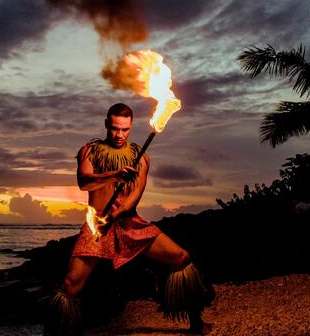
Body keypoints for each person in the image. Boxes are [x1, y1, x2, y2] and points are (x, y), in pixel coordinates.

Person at [45, 103, 213, 335]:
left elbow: (135, 196)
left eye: (124, 129)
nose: (119, 134)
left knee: (182, 258)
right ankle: (58, 332)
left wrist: (116, 214)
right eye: (115, 128)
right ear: (106, 124)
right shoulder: (89, 151)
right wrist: (115, 175)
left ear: (131, 126)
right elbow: (84, 182)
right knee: (71, 283)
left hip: (129, 223)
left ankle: (196, 322)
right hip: (98, 227)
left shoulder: (141, 157)